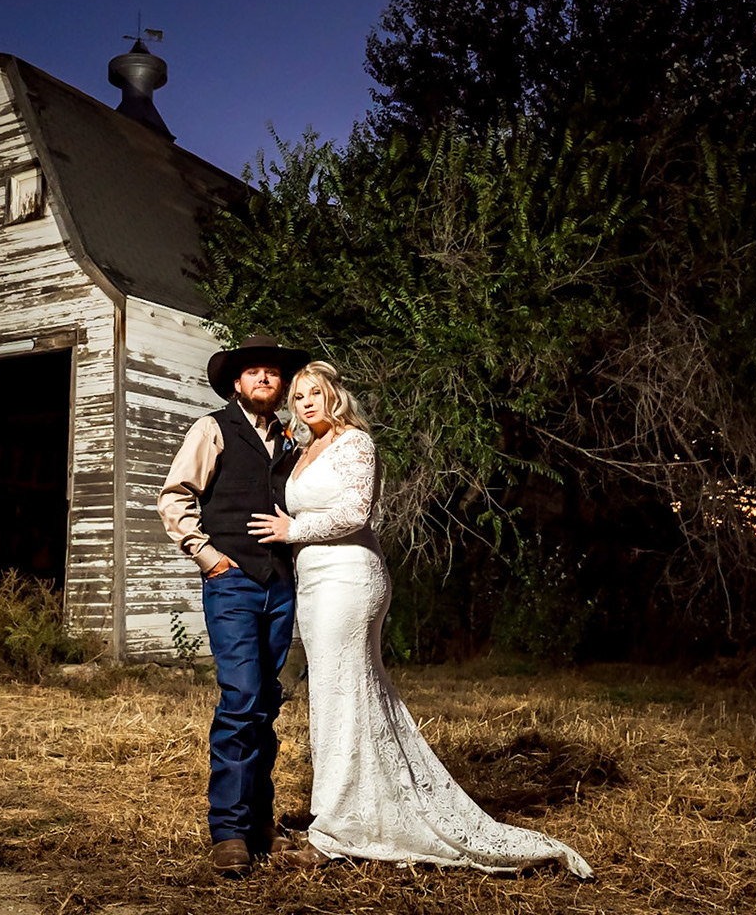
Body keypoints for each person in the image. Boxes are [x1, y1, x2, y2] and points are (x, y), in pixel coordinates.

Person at [248, 360, 593, 876]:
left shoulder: (355, 444)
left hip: (350, 576)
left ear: (335, 395)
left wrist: (292, 529)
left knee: (343, 693)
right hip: (315, 584)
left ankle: (337, 829)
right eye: (297, 397)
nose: (305, 402)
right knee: (336, 695)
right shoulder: (304, 450)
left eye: (314, 393)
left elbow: (355, 513)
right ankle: (344, 813)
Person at [157, 334, 311, 876]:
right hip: (234, 581)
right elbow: (176, 495)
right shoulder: (212, 429)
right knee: (242, 697)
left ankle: (260, 823)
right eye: (254, 372)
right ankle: (227, 829)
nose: (264, 379)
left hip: (280, 584)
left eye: (273, 372)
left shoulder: (292, 438)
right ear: (237, 382)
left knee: (266, 701)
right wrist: (208, 557)